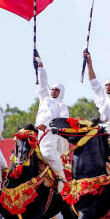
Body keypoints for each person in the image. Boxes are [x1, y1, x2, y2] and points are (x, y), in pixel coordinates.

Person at [35, 58, 69, 189]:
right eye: (52, 89)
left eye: (56, 90)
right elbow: (43, 84)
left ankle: (62, 177)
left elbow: (62, 123)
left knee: (47, 154)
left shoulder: (62, 106)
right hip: (37, 133)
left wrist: (47, 127)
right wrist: (40, 68)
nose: (53, 91)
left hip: (51, 136)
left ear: (61, 92)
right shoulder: (44, 98)